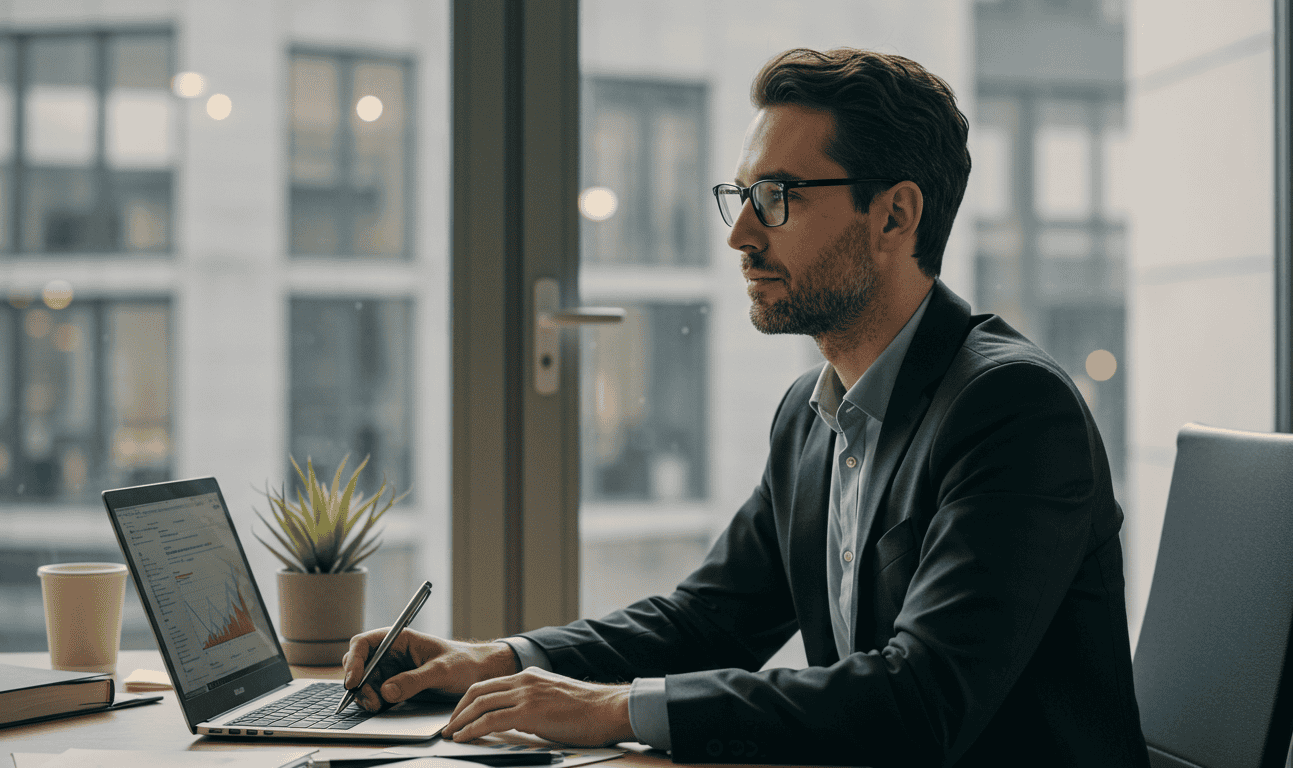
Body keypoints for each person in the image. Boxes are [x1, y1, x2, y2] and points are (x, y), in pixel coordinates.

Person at [342, 47, 1149, 766]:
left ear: (895, 216)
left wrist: (614, 709)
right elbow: (707, 620)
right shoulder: (811, 412)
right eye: (743, 195)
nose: (741, 237)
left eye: (778, 196)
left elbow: (921, 698)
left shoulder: (1011, 407)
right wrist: (498, 659)